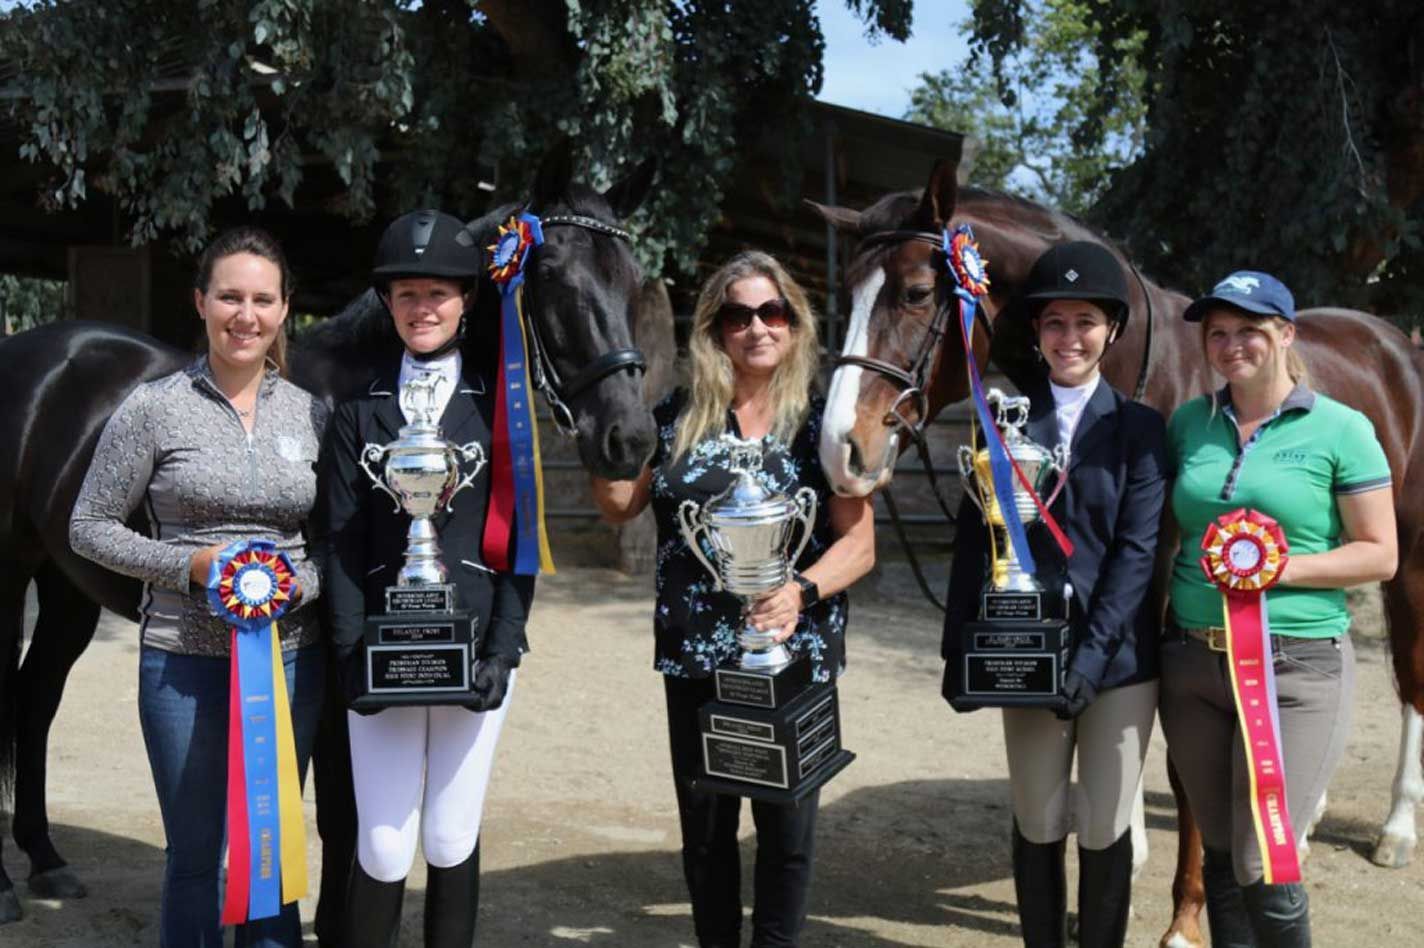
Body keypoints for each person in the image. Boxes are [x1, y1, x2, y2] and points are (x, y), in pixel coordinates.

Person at [590, 250, 875, 948]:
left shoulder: (820, 424)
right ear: (715, 329)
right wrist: (596, 433)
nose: (757, 327)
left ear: (794, 323)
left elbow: (859, 546)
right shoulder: (678, 416)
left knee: (789, 833)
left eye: (772, 312)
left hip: (793, 653)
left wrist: (800, 590)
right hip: (697, 656)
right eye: (739, 314)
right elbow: (622, 504)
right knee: (708, 834)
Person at [69, 227, 326, 948]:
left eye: (262, 300)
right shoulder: (154, 409)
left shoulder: (312, 414)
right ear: (201, 302)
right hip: (178, 663)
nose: (245, 315)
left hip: (289, 664)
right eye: (229, 297)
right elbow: (88, 525)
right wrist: (189, 566)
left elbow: (335, 545)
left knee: (270, 853)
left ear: (284, 311)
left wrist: (294, 584)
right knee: (192, 858)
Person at [1160, 271, 1397, 946]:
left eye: (1250, 331)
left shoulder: (1342, 429)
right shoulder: (1188, 424)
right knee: (1224, 856)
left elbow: (1379, 554)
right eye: (1219, 334)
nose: (1232, 346)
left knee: (1266, 855)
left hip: (1294, 667)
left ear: (1286, 334)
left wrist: (1273, 567)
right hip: (1191, 668)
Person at [940, 242, 1167, 948]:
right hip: (1025, 652)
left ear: (1113, 331)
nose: (1070, 337)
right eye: (1055, 323)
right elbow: (978, 542)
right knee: (1037, 815)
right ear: (1036, 334)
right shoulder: (1001, 422)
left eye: (1086, 322)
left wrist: (1093, 661)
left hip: (1119, 662)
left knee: (1104, 822)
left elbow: (1136, 555)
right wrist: (960, 652)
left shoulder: (1140, 430)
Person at [320, 209, 533, 947]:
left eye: (438, 292)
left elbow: (519, 538)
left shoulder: (501, 407)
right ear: (386, 301)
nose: (423, 308)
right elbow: (340, 543)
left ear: (467, 298)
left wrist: (504, 649)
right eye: (407, 293)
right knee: (381, 844)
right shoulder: (356, 413)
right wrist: (349, 651)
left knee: (449, 836)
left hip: (472, 645)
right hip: (381, 648)